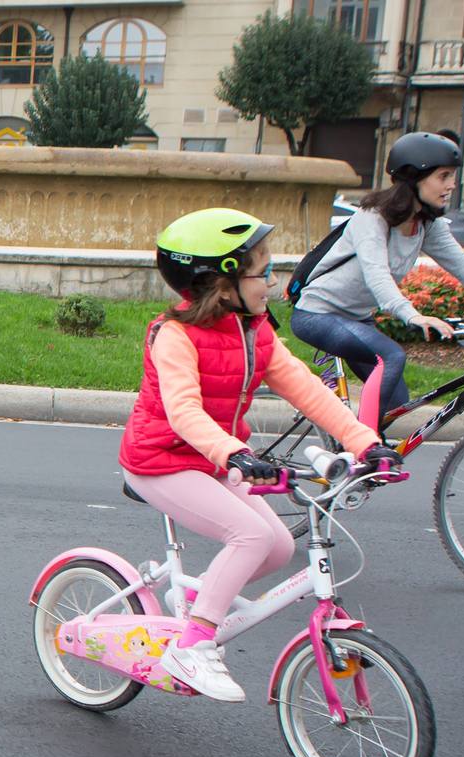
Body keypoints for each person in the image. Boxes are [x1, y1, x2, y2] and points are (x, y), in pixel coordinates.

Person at [124, 208, 401, 701]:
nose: (273, 280)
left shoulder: (253, 331)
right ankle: (192, 645)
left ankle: (198, 596)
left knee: (278, 546)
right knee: (250, 535)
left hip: (216, 459)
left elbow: (308, 390)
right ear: (221, 281)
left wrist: (367, 443)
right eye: (263, 270)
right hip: (161, 459)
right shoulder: (175, 336)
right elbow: (184, 412)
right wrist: (236, 454)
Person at [290, 132, 464, 419]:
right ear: (414, 177)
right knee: (391, 356)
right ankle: (359, 452)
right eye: (443, 176)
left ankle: (366, 449)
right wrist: (412, 314)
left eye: (452, 177)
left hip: (357, 319)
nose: (452, 185)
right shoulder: (372, 218)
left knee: (395, 402)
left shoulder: (427, 225)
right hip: (317, 315)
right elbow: (376, 274)